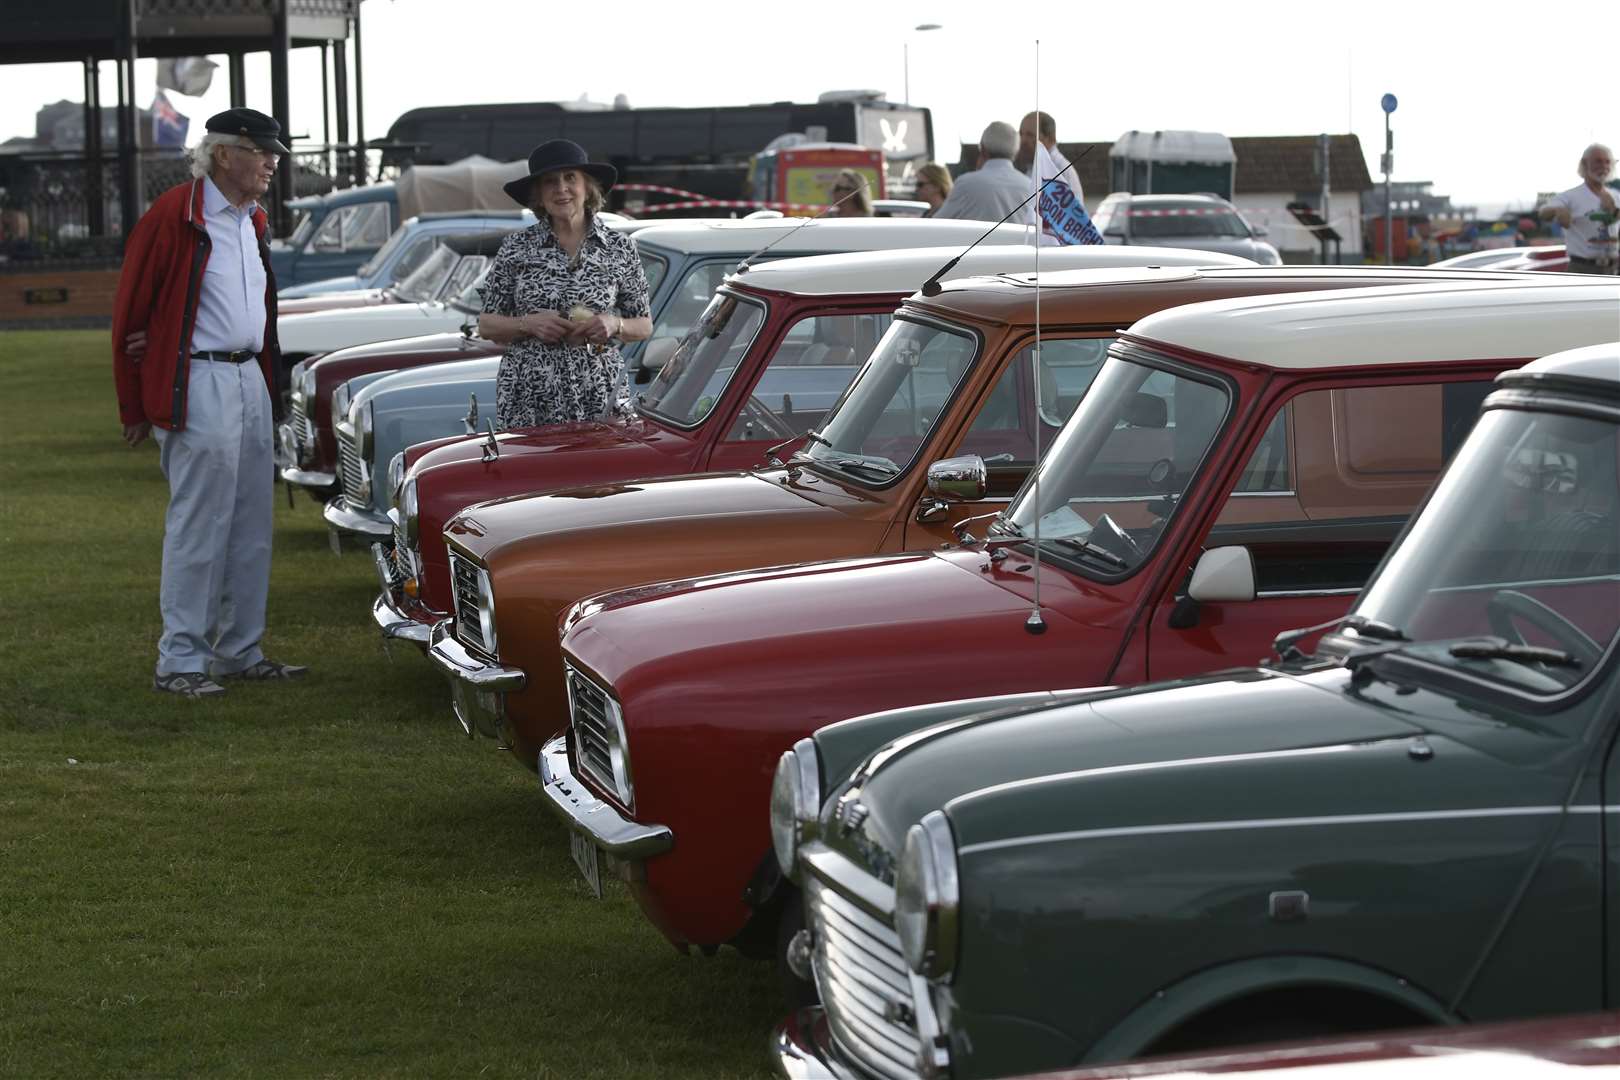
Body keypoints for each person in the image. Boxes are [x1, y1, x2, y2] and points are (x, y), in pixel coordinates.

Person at [111, 107, 306, 698]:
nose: (272, 161)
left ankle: (237, 651)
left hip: (246, 377)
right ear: (225, 153)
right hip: (198, 380)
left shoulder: (251, 219)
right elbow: (131, 313)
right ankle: (180, 660)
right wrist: (134, 407)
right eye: (262, 151)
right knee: (200, 523)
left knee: (250, 523)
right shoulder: (176, 215)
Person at [479, 139, 653, 427]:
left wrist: (614, 324)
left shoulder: (620, 248)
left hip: (598, 389)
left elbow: (644, 325)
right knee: (532, 471)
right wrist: (527, 324)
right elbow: (486, 325)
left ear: (588, 187)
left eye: (570, 178)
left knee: (600, 469)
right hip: (529, 393)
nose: (561, 188)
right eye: (550, 182)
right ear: (539, 195)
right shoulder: (516, 247)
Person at [932, 121, 1037, 227]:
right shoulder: (1030, 186)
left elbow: (936, 224)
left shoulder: (966, 184)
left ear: (983, 149)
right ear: (1016, 152)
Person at [1539, 143, 1618, 274]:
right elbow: (1543, 212)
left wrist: (1613, 209)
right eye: (1598, 161)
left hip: (1614, 269)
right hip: (1583, 269)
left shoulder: (1616, 196)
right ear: (1584, 164)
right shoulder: (1571, 196)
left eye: (1607, 162)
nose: (1604, 166)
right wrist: (1557, 210)